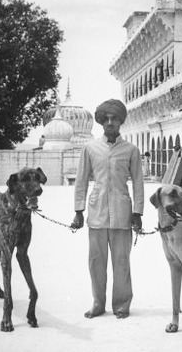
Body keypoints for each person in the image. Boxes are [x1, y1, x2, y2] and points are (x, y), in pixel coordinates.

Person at [71, 99, 144, 319]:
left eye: (115, 119)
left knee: (122, 262)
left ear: (121, 121)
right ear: (101, 122)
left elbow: (138, 183)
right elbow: (81, 181)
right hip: (97, 213)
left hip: (122, 213)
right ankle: (98, 303)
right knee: (96, 262)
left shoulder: (131, 150)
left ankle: (121, 305)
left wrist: (138, 213)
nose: (110, 122)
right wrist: (78, 210)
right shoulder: (91, 148)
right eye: (107, 119)